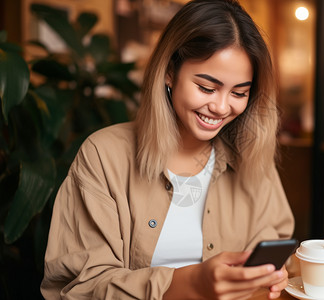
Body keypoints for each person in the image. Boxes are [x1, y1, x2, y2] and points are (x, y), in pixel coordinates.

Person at [40, 0, 295, 299]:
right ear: (169, 72)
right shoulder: (103, 156)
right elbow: (80, 287)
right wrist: (192, 284)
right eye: (207, 88)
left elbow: (276, 246)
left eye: (239, 92)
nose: (222, 107)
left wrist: (272, 275)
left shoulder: (252, 157)